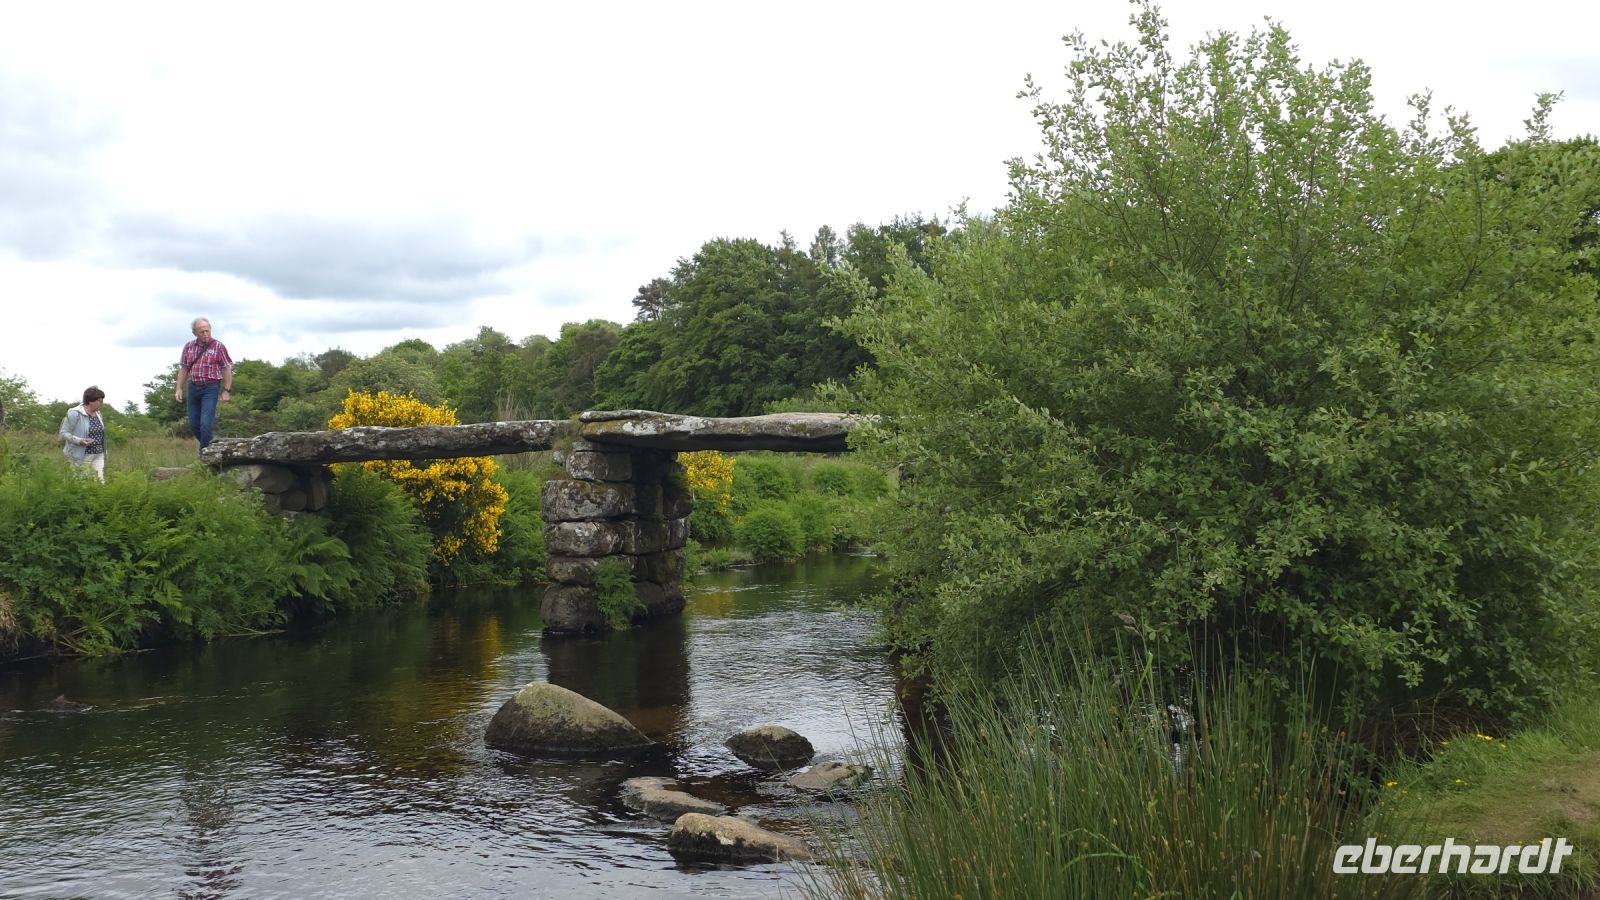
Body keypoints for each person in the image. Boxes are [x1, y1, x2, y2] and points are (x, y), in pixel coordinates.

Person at [174, 317, 233, 451]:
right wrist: (178, 389)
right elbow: (183, 368)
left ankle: (205, 457)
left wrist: (226, 390)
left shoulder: (218, 346)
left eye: (207, 331)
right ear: (195, 333)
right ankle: (213, 448)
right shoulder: (188, 347)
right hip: (193, 387)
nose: (206, 334)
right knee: (194, 423)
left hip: (210, 387)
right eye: (202, 332)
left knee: (205, 424)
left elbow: (227, 368)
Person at [59, 386, 108, 482]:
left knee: (100, 482)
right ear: (90, 401)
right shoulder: (74, 413)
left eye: (102, 400)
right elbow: (64, 432)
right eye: (99, 400)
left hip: (98, 454)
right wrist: (79, 441)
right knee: (82, 483)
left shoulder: (98, 414)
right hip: (82, 455)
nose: (102, 403)